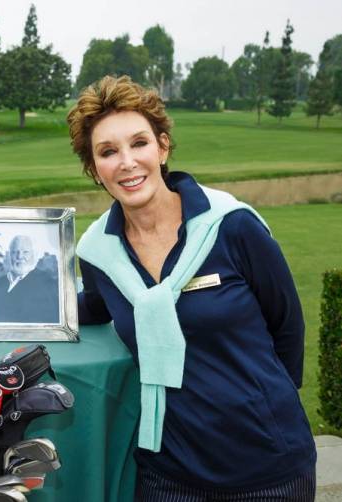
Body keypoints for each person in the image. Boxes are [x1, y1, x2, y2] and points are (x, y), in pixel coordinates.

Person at [68, 75, 316, 500]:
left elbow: (287, 326)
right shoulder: (98, 252)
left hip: (269, 466)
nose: (127, 162)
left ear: (162, 147)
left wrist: (260, 408)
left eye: (139, 143)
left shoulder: (233, 226)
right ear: (94, 168)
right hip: (168, 472)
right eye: (108, 152)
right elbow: (91, 306)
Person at [0, 235, 59, 323]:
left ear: (34, 254)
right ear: (10, 255)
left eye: (25, 252)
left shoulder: (46, 283)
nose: (20, 256)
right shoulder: (3, 280)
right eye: (15, 252)